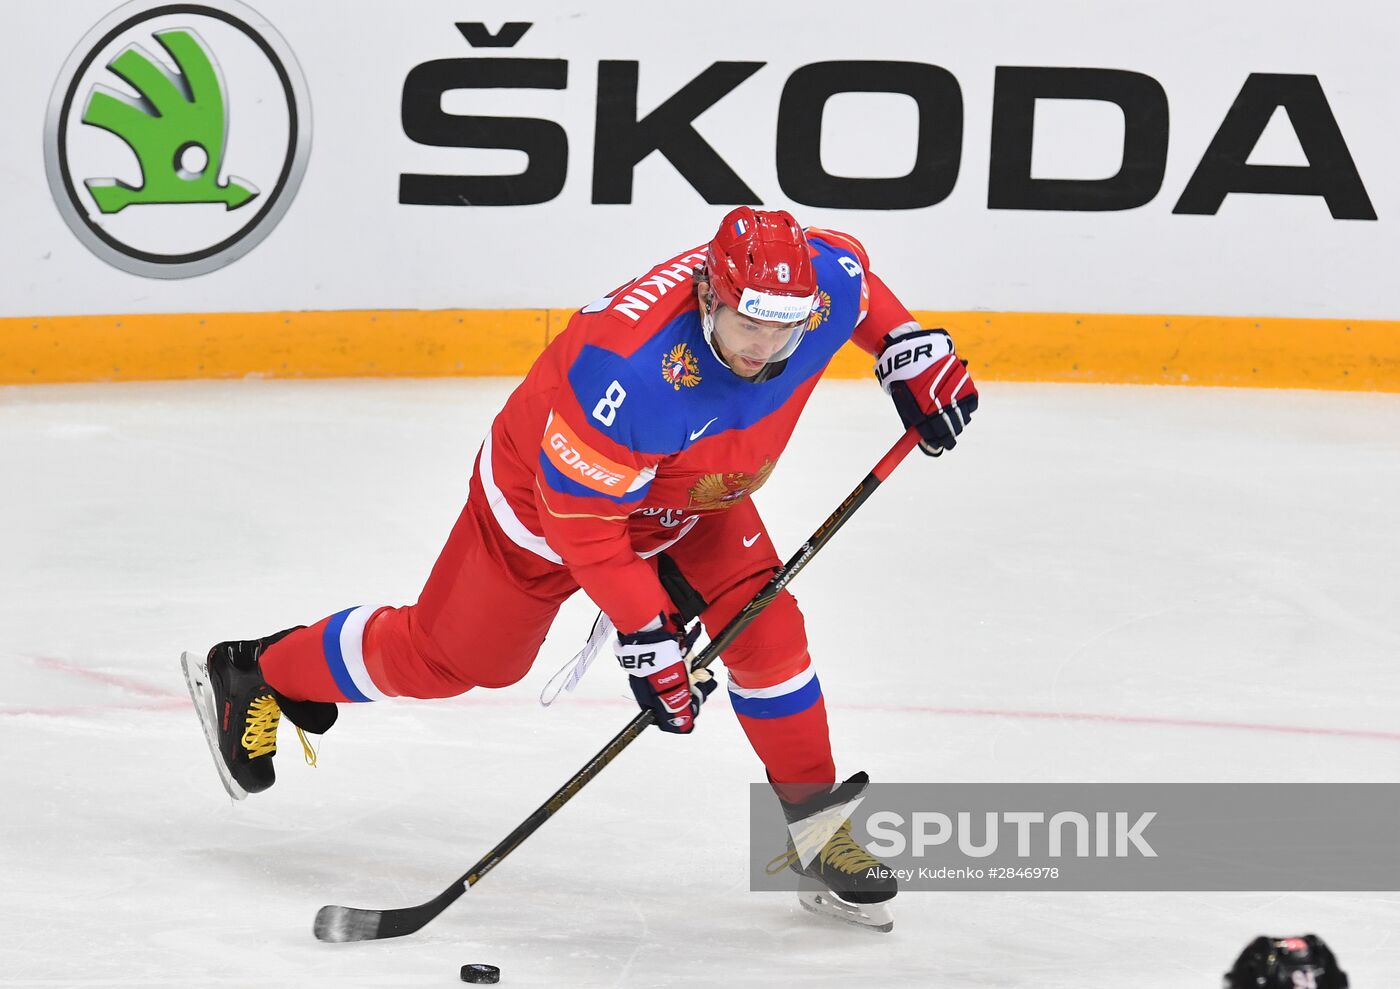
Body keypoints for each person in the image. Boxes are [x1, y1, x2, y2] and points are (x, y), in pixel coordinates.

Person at [182, 207, 978, 931]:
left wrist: (908, 349)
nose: (766, 349)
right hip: (545, 506)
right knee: (454, 660)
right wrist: (648, 636)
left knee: (770, 631)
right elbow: (587, 527)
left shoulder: (818, 288)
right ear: (707, 295)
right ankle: (262, 670)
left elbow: (858, 281)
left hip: (691, 497)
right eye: (747, 326)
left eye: (785, 329)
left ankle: (815, 830)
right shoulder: (627, 375)